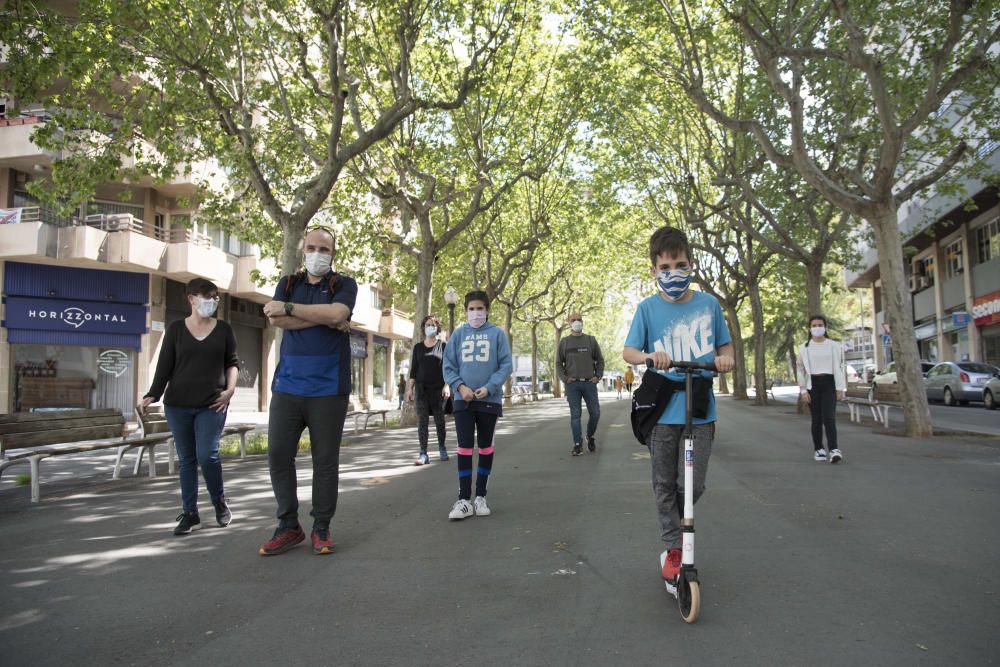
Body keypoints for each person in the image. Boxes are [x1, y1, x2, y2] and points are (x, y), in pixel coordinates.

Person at [623, 226, 734, 587]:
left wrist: (725, 360)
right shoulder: (647, 309)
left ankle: (676, 533)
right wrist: (649, 356)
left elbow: (726, 347)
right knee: (664, 483)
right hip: (663, 407)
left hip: (700, 406)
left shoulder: (709, 305)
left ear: (692, 265)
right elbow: (628, 352)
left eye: (680, 264)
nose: (674, 273)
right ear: (654, 269)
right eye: (666, 267)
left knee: (693, 485)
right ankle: (674, 550)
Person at [258, 227, 358, 556]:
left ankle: (321, 527)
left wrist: (292, 309)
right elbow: (276, 318)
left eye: (324, 249)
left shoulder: (344, 284)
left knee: (325, 461)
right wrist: (323, 318)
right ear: (303, 250)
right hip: (287, 386)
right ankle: (289, 525)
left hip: (329, 387)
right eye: (312, 247)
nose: (317, 254)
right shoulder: (288, 284)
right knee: (277, 455)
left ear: (333, 254)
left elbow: (338, 313)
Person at [139, 278, 239, 536]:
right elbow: (164, 366)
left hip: (213, 404)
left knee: (208, 455)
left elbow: (233, 363)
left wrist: (229, 391)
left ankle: (219, 502)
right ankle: (190, 513)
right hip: (178, 405)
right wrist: (152, 394)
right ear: (191, 298)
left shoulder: (224, 329)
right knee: (186, 460)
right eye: (207, 296)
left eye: (215, 296)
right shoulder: (175, 329)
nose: (212, 301)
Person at [442, 290, 513, 520]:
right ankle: (464, 500)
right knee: (464, 447)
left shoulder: (497, 334)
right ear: (465, 311)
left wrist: (489, 388)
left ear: (487, 310)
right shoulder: (458, 334)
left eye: (479, 308)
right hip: (463, 400)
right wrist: (460, 387)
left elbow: (505, 365)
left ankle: (480, 496)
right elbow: (448, 365)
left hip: (488, 401)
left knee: (485, 447)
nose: (475, 313)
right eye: (471, 309)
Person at [796, 315, 846, 463]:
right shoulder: (804, 347)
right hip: (813, 385)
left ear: (825, 327)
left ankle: (834, 449)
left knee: (829, 418)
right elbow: (800, 369)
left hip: (829, 383)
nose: (817, 328)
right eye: (814, 325)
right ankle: (819, 449)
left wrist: (840, 388)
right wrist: (803, 390)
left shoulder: (834, 346)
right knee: (816, 419)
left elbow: (840, 367)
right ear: (810, 328)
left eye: (820, 325)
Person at [558, 313, 604, 455]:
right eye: (574, 320)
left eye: (579, 320)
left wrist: (598, 376)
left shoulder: (591, 340)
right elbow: (559, 363)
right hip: (573, 386)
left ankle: (590, 436)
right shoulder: (564, 342)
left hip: (589, 383)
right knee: (575, 415)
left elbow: (600, 360)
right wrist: (565, 379)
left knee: (595, 413)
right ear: (568, 323)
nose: (577, 322)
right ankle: (577, 444)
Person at [407, 315, 451, 465]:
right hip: (421, 390)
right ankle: (423, 453)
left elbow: (448, 369)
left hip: (438, 390)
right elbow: (414, 370)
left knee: (440, 421)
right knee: (422, 422)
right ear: (423, 327)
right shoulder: (418, 348)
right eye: (427, 324)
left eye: (432, 325)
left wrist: (447, 386)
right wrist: (409, 389)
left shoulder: (443, 346)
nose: (430, 327)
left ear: (437, 328)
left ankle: (442, 448)